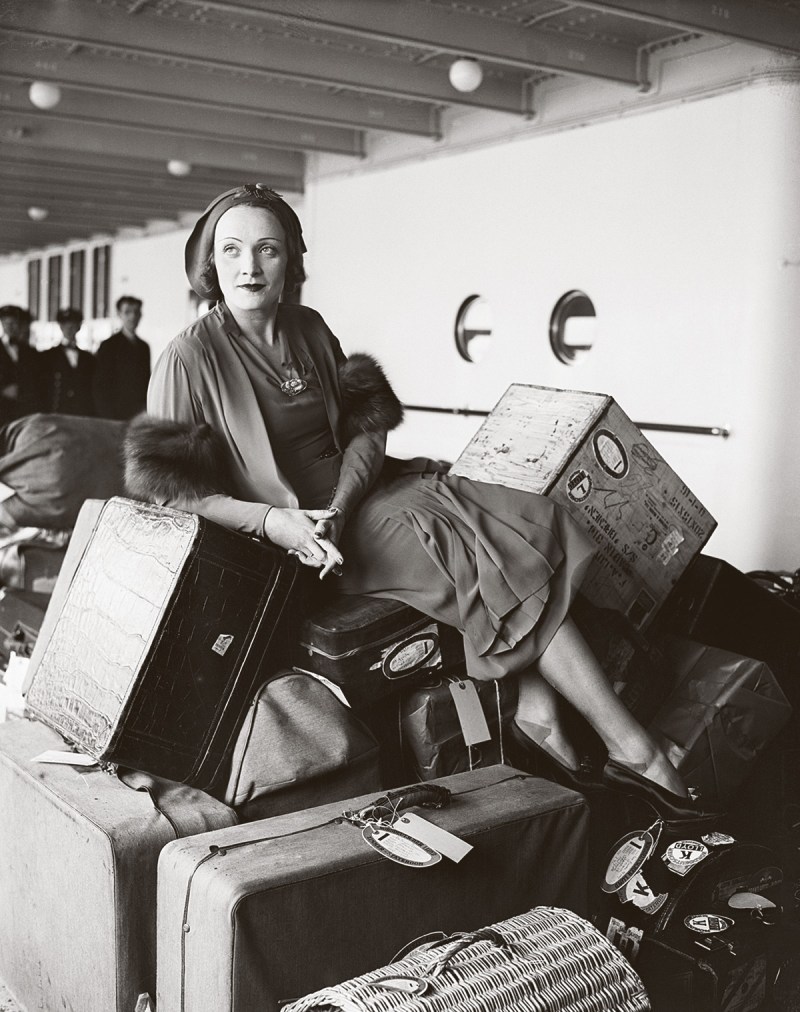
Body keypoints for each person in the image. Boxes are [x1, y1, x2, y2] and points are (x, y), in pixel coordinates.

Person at [124, 184, 709, 823]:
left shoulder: (310, 328)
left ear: (292, 260)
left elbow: (365, 431)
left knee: (517, 514)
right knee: (457, 542)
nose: (249, 266)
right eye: (231, 250)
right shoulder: (188, 357)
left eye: (268, 249)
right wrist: (276, 522)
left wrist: (344, 503)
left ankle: (541, 713)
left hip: (358, 500)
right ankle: (635, 749)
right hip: (295, 542)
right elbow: (173, 496)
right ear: (210, 260)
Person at [92, 295, 150, 420]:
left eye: (136, 312)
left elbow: (146, 383)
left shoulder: (144, 347)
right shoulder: (109, 346)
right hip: (115, 415)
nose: (133, 317)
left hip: (139, 415)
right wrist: (107, 416)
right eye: (127, 312)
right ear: (119, 314)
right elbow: (100, 386)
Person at [38, 308, 95, 416]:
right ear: (60, 326)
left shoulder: (89, 359)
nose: (69, 329)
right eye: (65, 325)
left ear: (79, 327)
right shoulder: (47, 356)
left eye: (73, 325)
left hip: (82, 415)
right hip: (56, 414)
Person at [0, 305, 41, 423]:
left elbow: (36, 380)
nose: (10, 327)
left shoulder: (30, 352)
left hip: (23, 413)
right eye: (6, 323)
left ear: (20, 324)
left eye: (14, 323)